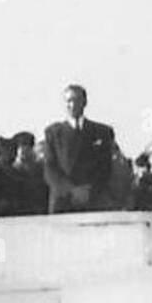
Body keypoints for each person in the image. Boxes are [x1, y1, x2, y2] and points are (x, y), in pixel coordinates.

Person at [43, 84, 116, 214]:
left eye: (77, 100)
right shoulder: (53, 133)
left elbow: (105, 168)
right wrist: (71, 190)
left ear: (85, 102)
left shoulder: (102, 132)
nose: (73, 105)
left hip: (93, 200)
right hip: (63, 201)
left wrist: (89, 191)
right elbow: (50, 168)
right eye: (69, 101)